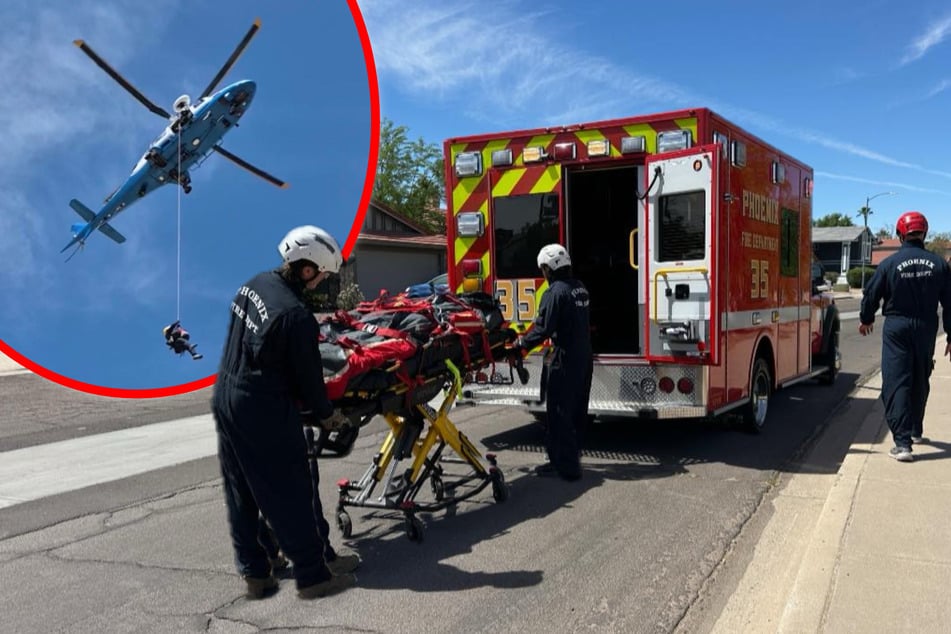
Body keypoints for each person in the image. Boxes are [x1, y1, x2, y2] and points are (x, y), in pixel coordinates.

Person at [211, 225, 359, 600]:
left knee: (241, 490)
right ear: (306, 269)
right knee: (292, 489)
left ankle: (256, 571)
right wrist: (329, 416)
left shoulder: (253, 285)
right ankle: (314, 576)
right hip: (262, 407)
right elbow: (310, 380)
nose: (321, 282)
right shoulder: (296, 316)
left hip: (226, 394)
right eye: (321, 275)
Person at [859, 210, 951, 462]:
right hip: (926, 326)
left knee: (897, 381)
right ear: (925, 233)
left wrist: (866, 319)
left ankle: (902, 444)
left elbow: (871, 294)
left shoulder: (889, 264)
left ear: (900, 234)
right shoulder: (939, 264)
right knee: (921, 376)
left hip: (897, 327)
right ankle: (915, 429)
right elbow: (950, 302)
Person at [513, 243, 593, 481]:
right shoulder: (579, 288)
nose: (543, 273)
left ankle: (565, 466)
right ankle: (572, 457)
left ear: (549, 268)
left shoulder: (555, 292)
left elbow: (543, 328)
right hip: (584, 356)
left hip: (565, 357)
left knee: (559, 412)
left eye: (543, 269)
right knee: (577, 411)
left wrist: (521, 345)